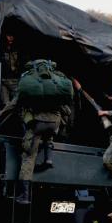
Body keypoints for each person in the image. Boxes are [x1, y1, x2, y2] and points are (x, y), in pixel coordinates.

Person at [16, 60, 73, 204]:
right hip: (55, 124)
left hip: (38, 124)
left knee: (28, 157)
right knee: (49, 134)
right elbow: (67, 108)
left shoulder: (30, 79)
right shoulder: (57, 80)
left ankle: (24, 196)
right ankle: (48, 159)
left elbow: (20, 103)